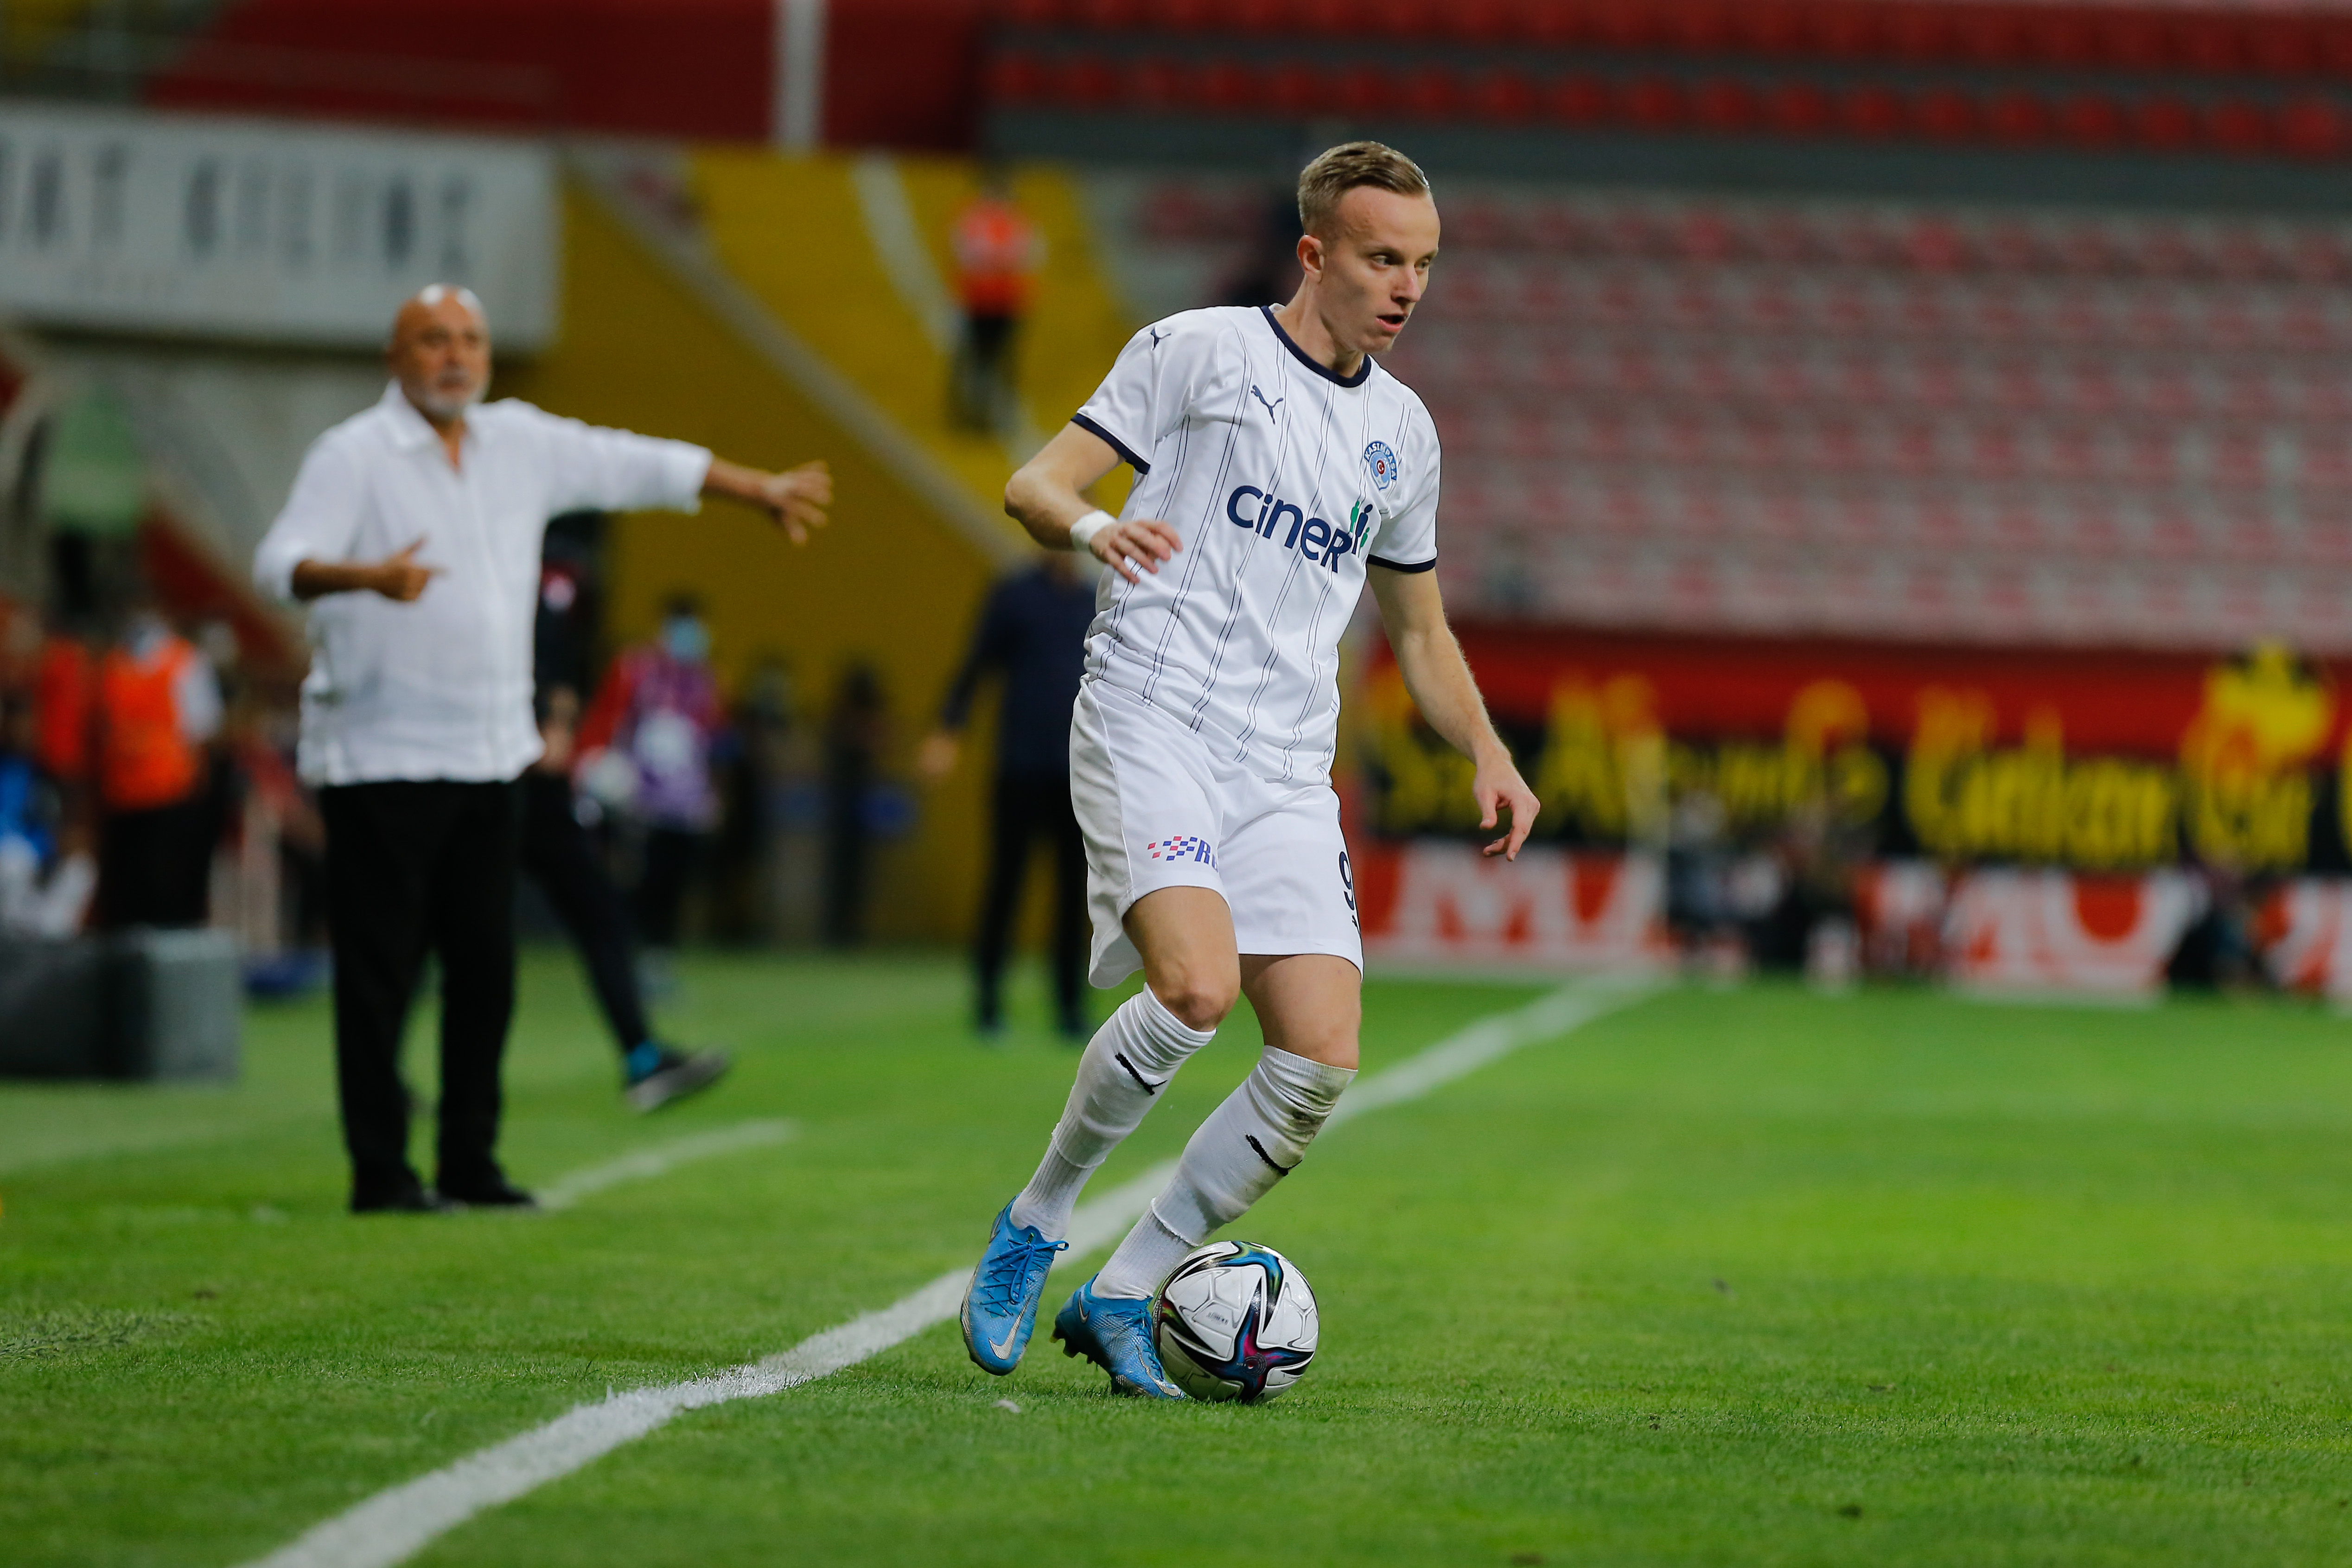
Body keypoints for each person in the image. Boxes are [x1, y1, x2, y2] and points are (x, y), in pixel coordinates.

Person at [959, 143, 1538, 1397]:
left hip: (1282, 764)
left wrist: (1487, 748)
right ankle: (1038, 1219)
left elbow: (1418, 631)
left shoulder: (1402, 434)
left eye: (1424, 262)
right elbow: (1033, 483)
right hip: (1154, 713)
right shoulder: (1200, 351)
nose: (1407, 286)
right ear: (1314, 254)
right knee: (1194, 988)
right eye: (1382, 258)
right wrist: (1098, 526)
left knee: (1319, 1054)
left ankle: (1123, 1292)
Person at [252, 283, 831, 1214]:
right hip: (381, 756)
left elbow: (637, 463)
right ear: (395, 357)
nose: (455, 356)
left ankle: (470, 1162)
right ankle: (381, 1172)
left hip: (491, 756)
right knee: (380, 974)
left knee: (485, 971)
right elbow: (278, 563)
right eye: (433, 340)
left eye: (470, 340)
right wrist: (366, 576)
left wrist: (754, 488)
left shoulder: (518, 442)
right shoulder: (352, 455)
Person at [525, 684, 730, 1112]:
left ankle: (643, 1056)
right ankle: (642, 1057)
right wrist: (543, 719)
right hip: (507, 787)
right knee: (449, 930)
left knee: (602, 917)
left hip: (526, 790)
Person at [918, 552, 1096, 1039]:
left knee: (1075, 895)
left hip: (1079, 771)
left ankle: (1070, 1008)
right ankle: (989, 1002)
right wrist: (948, 730)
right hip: (1020, 766)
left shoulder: (1093, 599)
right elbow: (976, 664)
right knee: (1005, 886)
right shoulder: (1015, 595)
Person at [576, 596, 727, 956]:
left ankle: (658, 952)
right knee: (633, 876)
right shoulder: (635, 669)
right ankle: (623, 948)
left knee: (674, 878)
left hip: (684, 799)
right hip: (636, 794)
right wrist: (592, 766)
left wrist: (711, 793)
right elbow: (605, 718)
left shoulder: (705, 681)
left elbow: (710, 739)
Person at [93, 606, 224, 929]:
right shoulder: (114, 663)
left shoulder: (183, 661)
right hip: (122, 793)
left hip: (170, 790)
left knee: (166, 879)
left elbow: (204, 727)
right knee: (126, 885)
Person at [949, 167, 1042, 435]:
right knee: (975, 357)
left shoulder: (1016, 220)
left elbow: (1031, 254)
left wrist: (999, 262)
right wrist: (1000, 261)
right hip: (978, 300)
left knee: (1003, 360)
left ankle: (995, 413)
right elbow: (967, 254)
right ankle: (970, 414)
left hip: (1006, 301)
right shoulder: (975, 219)